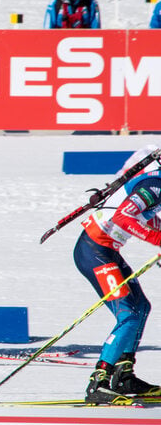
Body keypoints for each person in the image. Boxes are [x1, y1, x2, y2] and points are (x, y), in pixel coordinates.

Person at [74, 145, 161, 405]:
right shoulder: (155, 184)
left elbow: (145, 220)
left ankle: (123, 375)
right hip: (94, 251)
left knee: (141, 307)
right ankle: (99, 381)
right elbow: (125, 217)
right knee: (129, 314)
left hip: (105, 250)